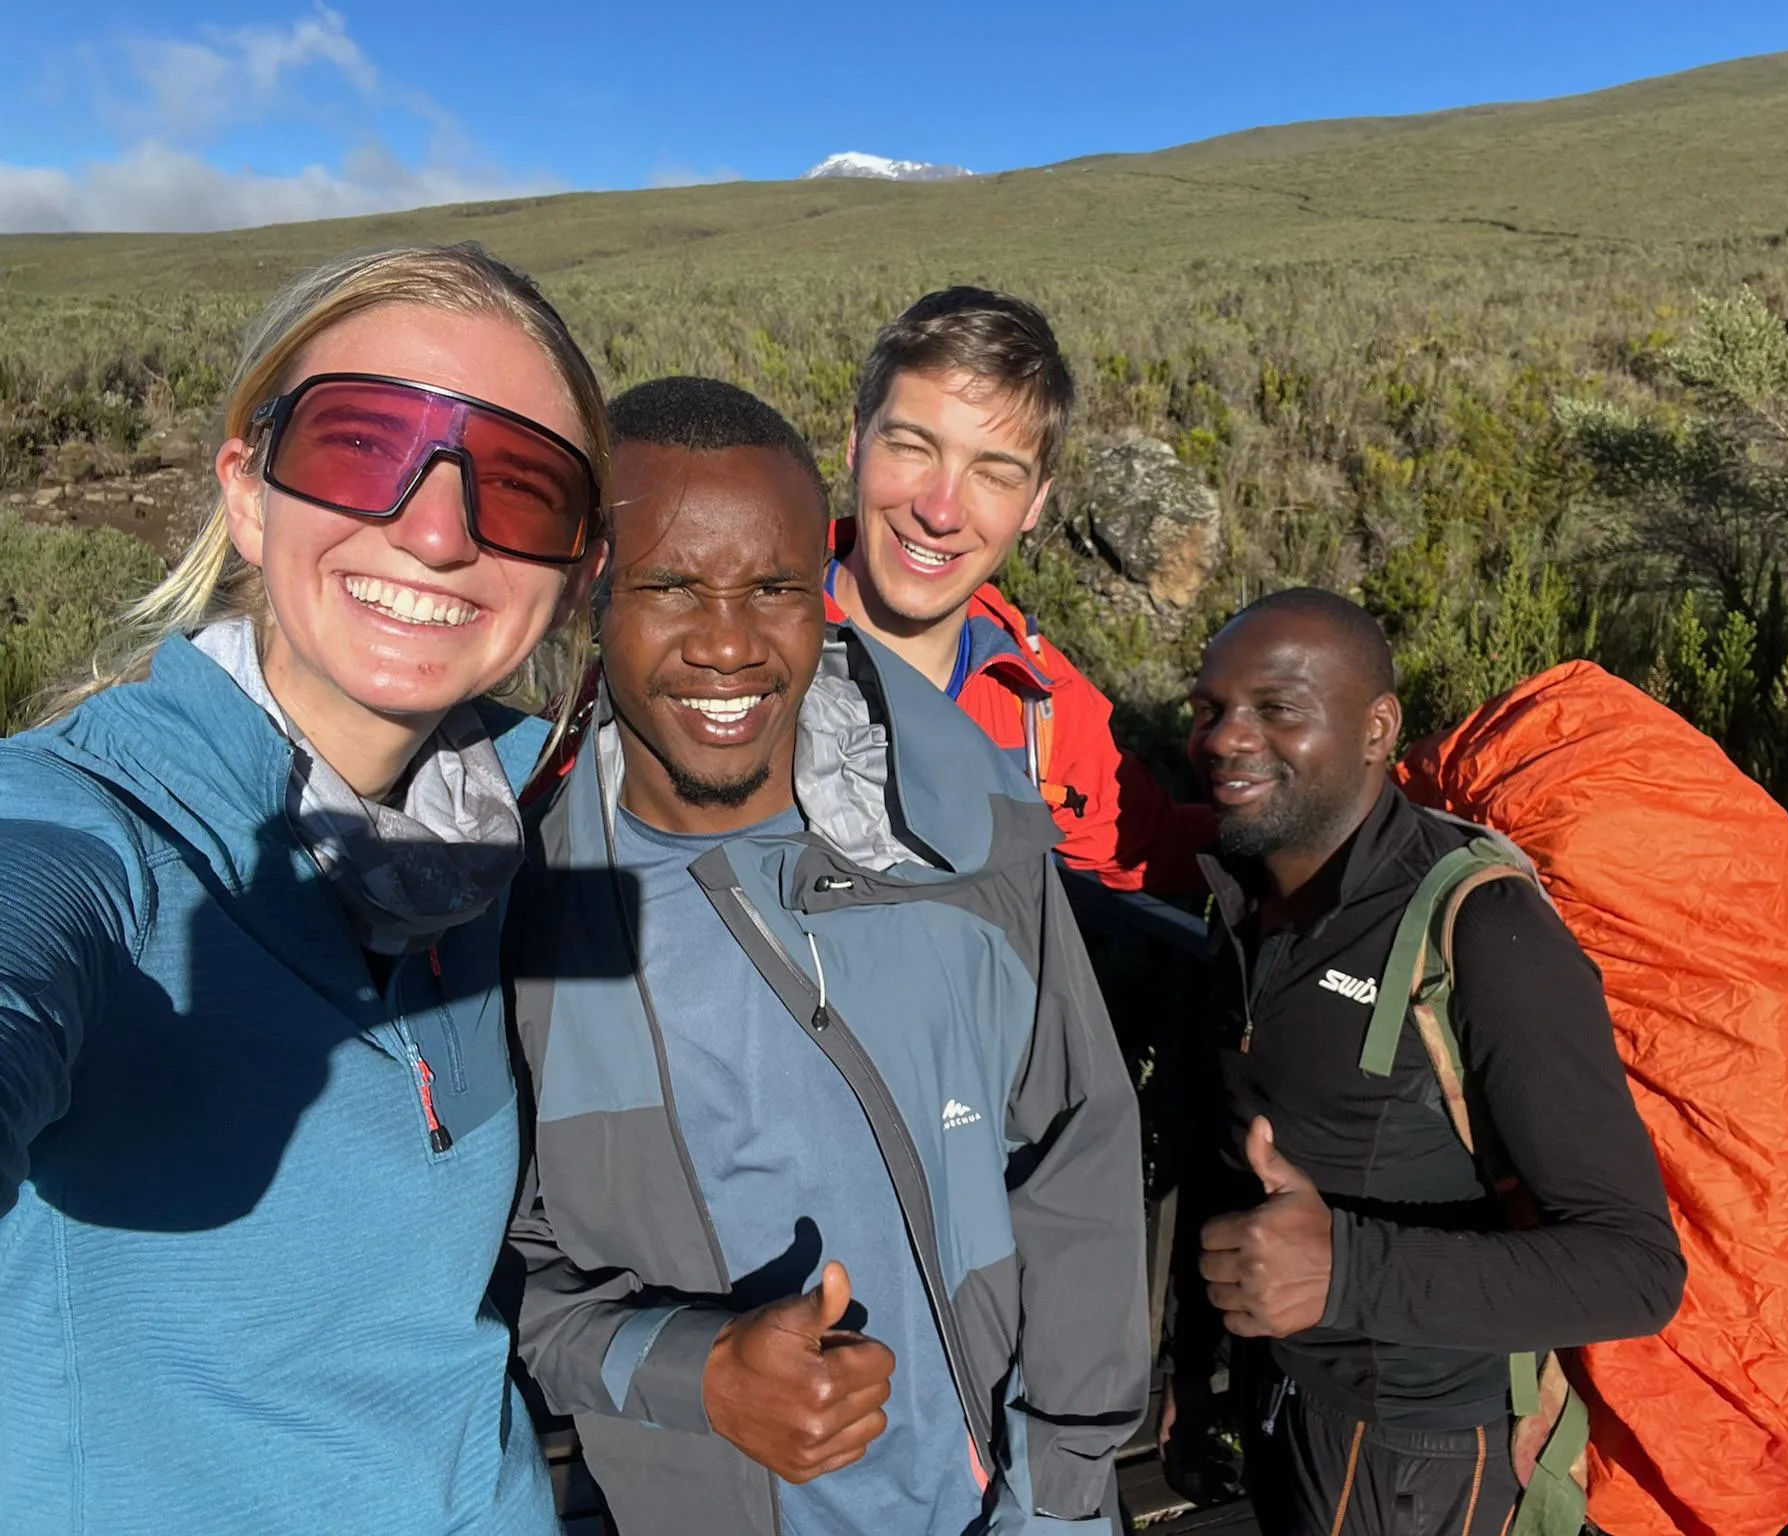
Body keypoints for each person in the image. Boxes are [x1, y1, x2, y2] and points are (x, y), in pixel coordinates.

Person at [0, 243, 607, 1534]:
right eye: (359, 443)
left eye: (523, 486)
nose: (437, 529)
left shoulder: (486, 831)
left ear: (574, 572)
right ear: (248, 491)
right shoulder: (88, 831)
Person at [505, 376, 1149, 1536]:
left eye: (774, 589)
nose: (727, 646)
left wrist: (1059, 1495)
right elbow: (499, 1278)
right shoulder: (525, 909)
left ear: (824, 590)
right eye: (668, 587)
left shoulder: (960, 824)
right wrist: (687, 1372)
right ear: (590, 593)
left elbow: (1077, 1156)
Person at [1162, 588, 1685, 1536]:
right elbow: (1224, 1148)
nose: (1227, 738)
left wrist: (1345, 1273)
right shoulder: (1241, 899)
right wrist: (1192, 1370)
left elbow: (1636, 1271)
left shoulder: (1482, 930)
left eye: (1277, 708)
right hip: (1277, 1399)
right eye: (1209, 708)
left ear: (1376, 728)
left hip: (1425, 1460)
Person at [826, 286, 1212, 894]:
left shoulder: (1040, 709)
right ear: (856, 440)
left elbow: (1155, 851)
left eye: (994, 475)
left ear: (1036, 501)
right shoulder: (740, 631)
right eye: (911, 447)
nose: (941, 511)